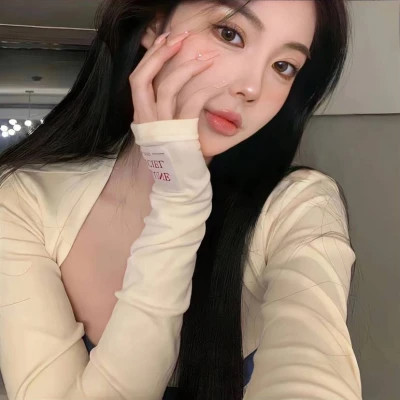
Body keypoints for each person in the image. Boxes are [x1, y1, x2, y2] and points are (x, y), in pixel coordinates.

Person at [0, 0, 362, 399]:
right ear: (156, 24)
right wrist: (177, 200)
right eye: (230, 34)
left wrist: (180, 194)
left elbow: (313, 373)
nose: (252, 88)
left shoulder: (298, 207)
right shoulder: (24, 200)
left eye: (283, 66)